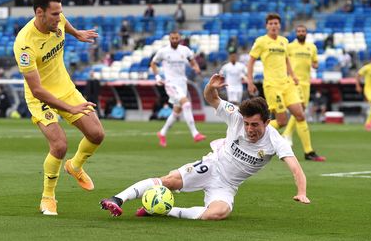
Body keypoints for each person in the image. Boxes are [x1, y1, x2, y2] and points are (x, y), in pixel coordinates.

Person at [100, 74, 310, 219]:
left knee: (217, 214)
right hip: (213, 165)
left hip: (227, 185)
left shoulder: (275, 140)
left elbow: (295, 168)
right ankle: (118, 198)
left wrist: (301, 192)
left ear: (266, 122)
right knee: (170, 180)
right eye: (246, 124)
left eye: (254, 125)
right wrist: (211, 87)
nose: (249, 129)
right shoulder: (236, 116)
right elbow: (211, 98)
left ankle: (163, 210)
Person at [13, 0, 104, 216]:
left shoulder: (58, 19)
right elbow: (37, 89)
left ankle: (75, 166)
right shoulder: (24, 44)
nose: (59, 17)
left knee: (96, 134)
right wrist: (71, 109)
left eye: (60, 13)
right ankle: (48, 198)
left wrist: (76, 34)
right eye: (54, 14)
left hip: (64, 88)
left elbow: (64, 22)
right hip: (40, 96)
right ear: (39, 13)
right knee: (60, 145)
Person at [247, 13, 325, 162]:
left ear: (279, 25)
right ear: (267, 26)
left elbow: (287, 60)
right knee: (281, 121)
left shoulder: (284, 41)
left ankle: (309, 151)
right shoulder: (261, 42)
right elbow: (251, 61)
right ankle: (252, 134)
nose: (274, 26)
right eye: (271, 23)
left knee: (300, 114)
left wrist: (293, 75)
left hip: (287, 84)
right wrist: (250, 81)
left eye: (276, 23)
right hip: (272, 85)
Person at [151, 31, 206, 147]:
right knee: (186, 104)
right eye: (173, 38)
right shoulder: (163, 51)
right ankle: (195, 133)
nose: (175, 40)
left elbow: (192, 61)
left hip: (182, 83)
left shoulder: (185, 50)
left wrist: (196, 68)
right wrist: (157, 76)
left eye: (177, 38)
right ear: (169, 39)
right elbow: (153, 63)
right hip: (171, 83)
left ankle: (162, 133)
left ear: (180, 39)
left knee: (177, 111)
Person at [281, 25, 318, 146]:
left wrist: (315, 64)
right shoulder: (290, 47)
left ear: (306, 33)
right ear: (296, 33)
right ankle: (286, 133)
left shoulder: (312, 47)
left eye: (303, 31)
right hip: (293, 81)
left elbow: (315, 61)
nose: (301, 33)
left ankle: (287, 133)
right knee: (300, 110)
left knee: (301, 111)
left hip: (306, 82)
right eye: (299, 31)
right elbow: (284, 61)